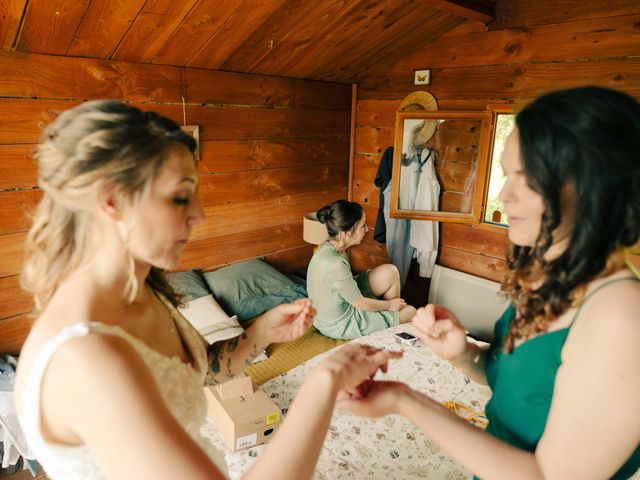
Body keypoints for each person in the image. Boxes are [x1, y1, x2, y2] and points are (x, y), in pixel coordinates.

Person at [13, 100, 402, 480]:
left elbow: (200, 372)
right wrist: (324, 382)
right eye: (181, 196)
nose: (198, 214)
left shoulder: (146, 289)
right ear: (113, 202)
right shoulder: (86, 357)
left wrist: (260, 332)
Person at [338, 86, 640, 479]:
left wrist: (403, 400)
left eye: (525, 178)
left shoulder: (623, 319)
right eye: (505, 174)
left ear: (592, 188)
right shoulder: (546, 279)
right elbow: (515, 387)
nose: (502, 194)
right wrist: (463, 353)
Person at [307, 200, 417, 339]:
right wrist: (388, 304)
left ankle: (392, 318)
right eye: (362, 226)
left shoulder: (328, 247)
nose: (366, 230)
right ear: (346, 233)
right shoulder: (336, 265)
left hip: (340, 301)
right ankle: (393, 317)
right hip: (339, 324)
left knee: (391, 271)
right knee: (411, 312)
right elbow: (360, 303)